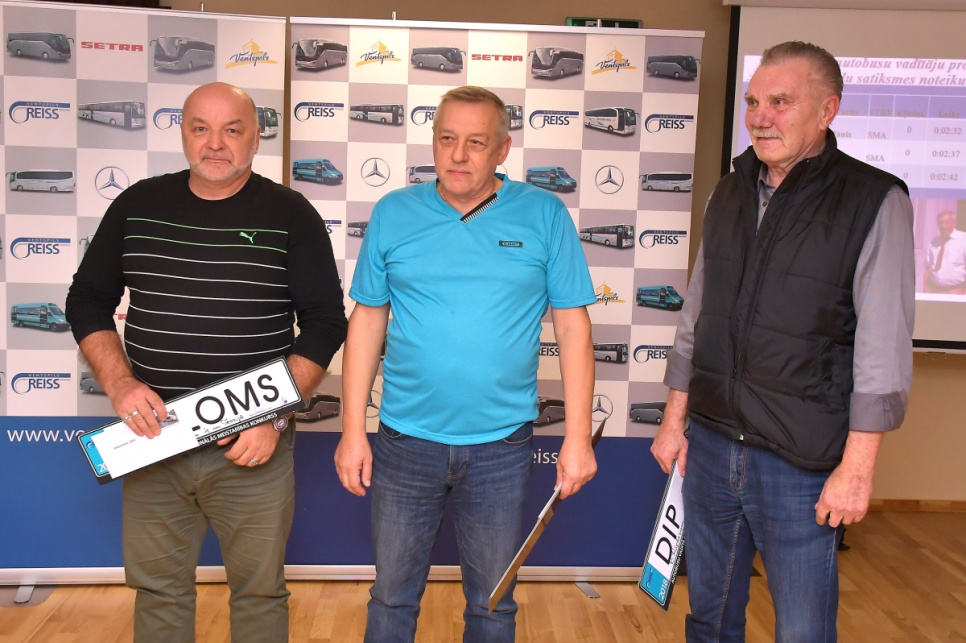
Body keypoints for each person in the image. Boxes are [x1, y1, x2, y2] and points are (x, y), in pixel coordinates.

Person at [650, 42, 914, 642]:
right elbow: (697, 313)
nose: (760, 117)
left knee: (802, 629)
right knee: (708, 619)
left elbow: (882, 351)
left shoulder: (875, 199)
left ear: (827, 111)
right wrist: (674, 420)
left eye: (780, 102)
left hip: (800, 464)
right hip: (712, 445)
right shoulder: (729, 192)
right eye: (752, 102)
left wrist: (857, 469)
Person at [66, 82, 347, 642]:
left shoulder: (291, 214)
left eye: (232, 130)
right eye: (201, 128)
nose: (215, 143)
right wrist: (119, 384)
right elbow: (86, 300)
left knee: (259, 593)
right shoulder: (138, 205)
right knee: (159, 591)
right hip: (154, 437)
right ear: (183, 133)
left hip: (252, 441)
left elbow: (324, 324)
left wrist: (272, 415)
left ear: (256, 137)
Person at [334, 85, 598, 642]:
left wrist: (578, 437)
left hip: (501, 447)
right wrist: (352, 430)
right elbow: (367, 323)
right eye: (447, 139)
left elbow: (573, 329)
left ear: (502, 150)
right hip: (405, 442)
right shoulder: (394, 212)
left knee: (492, 606)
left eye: (476, 142)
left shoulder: (544, 214)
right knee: (391, 598)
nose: (458, 155)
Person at [923, 210, 966, 294]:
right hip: (934, 291)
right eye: (940, 223)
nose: (943, 226)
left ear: (954, 223)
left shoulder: (963, 240)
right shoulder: (934, 242)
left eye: (946, 223)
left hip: (955, 291)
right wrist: (925, 290)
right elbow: (927, 268)